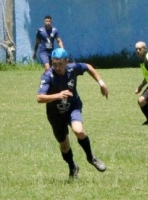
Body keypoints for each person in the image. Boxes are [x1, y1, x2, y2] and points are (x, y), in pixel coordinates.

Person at [36, 48, 108, 180]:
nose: (57, 67)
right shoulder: (48, 76)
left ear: (66, 61)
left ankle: (91, 158)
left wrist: (101, 83)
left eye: (60, 64)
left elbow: (88, 67)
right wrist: (58, 95)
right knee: (64, 145)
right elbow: (39, 98)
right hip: (55, 114)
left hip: (72, 106)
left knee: (79, 131)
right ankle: (72, 167)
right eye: (54, 64)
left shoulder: (72, 68)